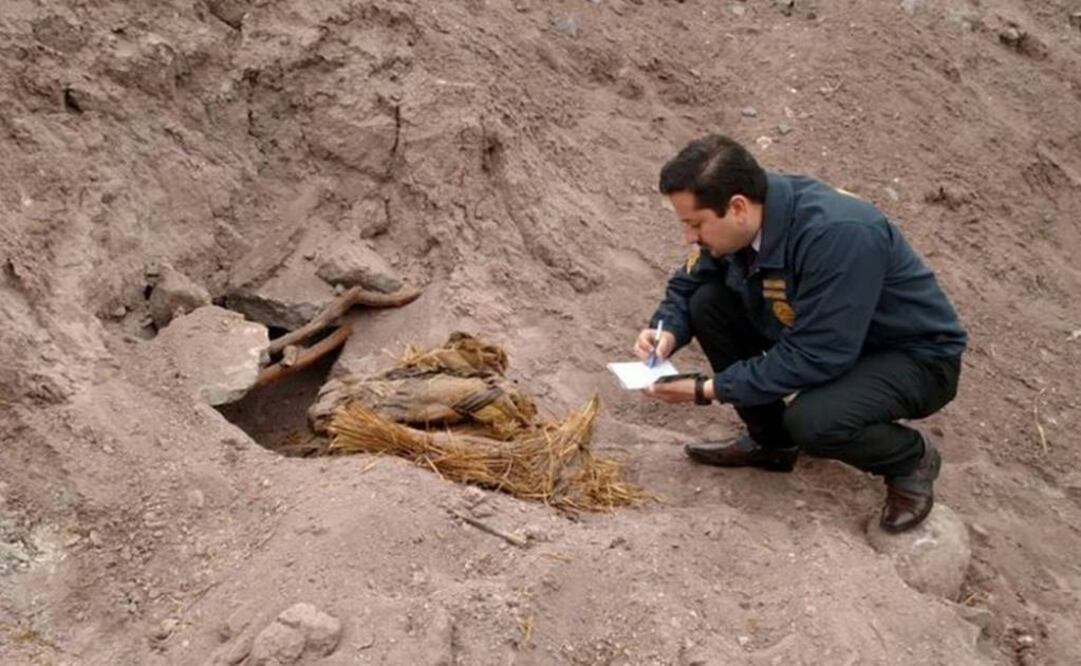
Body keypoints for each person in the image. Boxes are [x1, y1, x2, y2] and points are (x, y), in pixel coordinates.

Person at [636, 134, 966, 532]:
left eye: (695, 224)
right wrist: (667, 330)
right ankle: (771, 443)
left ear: (737, 207)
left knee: (813, 422)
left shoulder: (838, 233)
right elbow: (689, 283)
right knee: (708, 302)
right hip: (823, 333)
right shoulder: (745, 219)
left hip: (912, 357)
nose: (689, 237)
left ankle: (910, 459)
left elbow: (818, 354)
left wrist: (708, 389)